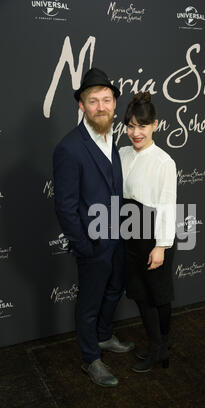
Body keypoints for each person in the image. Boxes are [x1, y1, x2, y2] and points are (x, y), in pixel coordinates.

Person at [53, 67, 134, 388]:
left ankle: (103, 337)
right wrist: (84, 245)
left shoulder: (111, 140)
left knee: (114, 290)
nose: (101, 107)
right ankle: (91, 359)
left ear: (115, 104)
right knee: (89, 303)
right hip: (93, 243)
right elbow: (65, 206)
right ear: (81, 106)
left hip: (117, 237)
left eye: (107, 100)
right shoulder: (69, 147)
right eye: (93, 101)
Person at [119, 92, 177, 373]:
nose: (135, 132)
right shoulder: (121, 154)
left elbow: (167, 204)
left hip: (154, 234)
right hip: (130, 231)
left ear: (155, 124)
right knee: (141, 295)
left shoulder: (164, 161)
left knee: (159, 295)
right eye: (130, 126)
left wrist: (162, 246)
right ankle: (156, 345)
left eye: (142, 126)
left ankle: (162, 348)